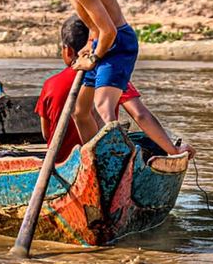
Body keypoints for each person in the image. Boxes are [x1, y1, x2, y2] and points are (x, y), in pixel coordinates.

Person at [29, 0, 137, 144]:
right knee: (80, 111)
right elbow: (94, 23)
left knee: (103, 106)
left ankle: (122, 153)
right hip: (101, 40)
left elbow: (109, 30)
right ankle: (96, 155)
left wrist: (94, 58)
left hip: (115, 41)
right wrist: (90, 43)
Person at [36, 15, 195, 162]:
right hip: (104, 159)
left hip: (60, 164)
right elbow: (140, 115)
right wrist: (173, 150)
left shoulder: (50, 84)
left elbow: (46, 134)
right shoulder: (110, 78)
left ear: (68, 50)